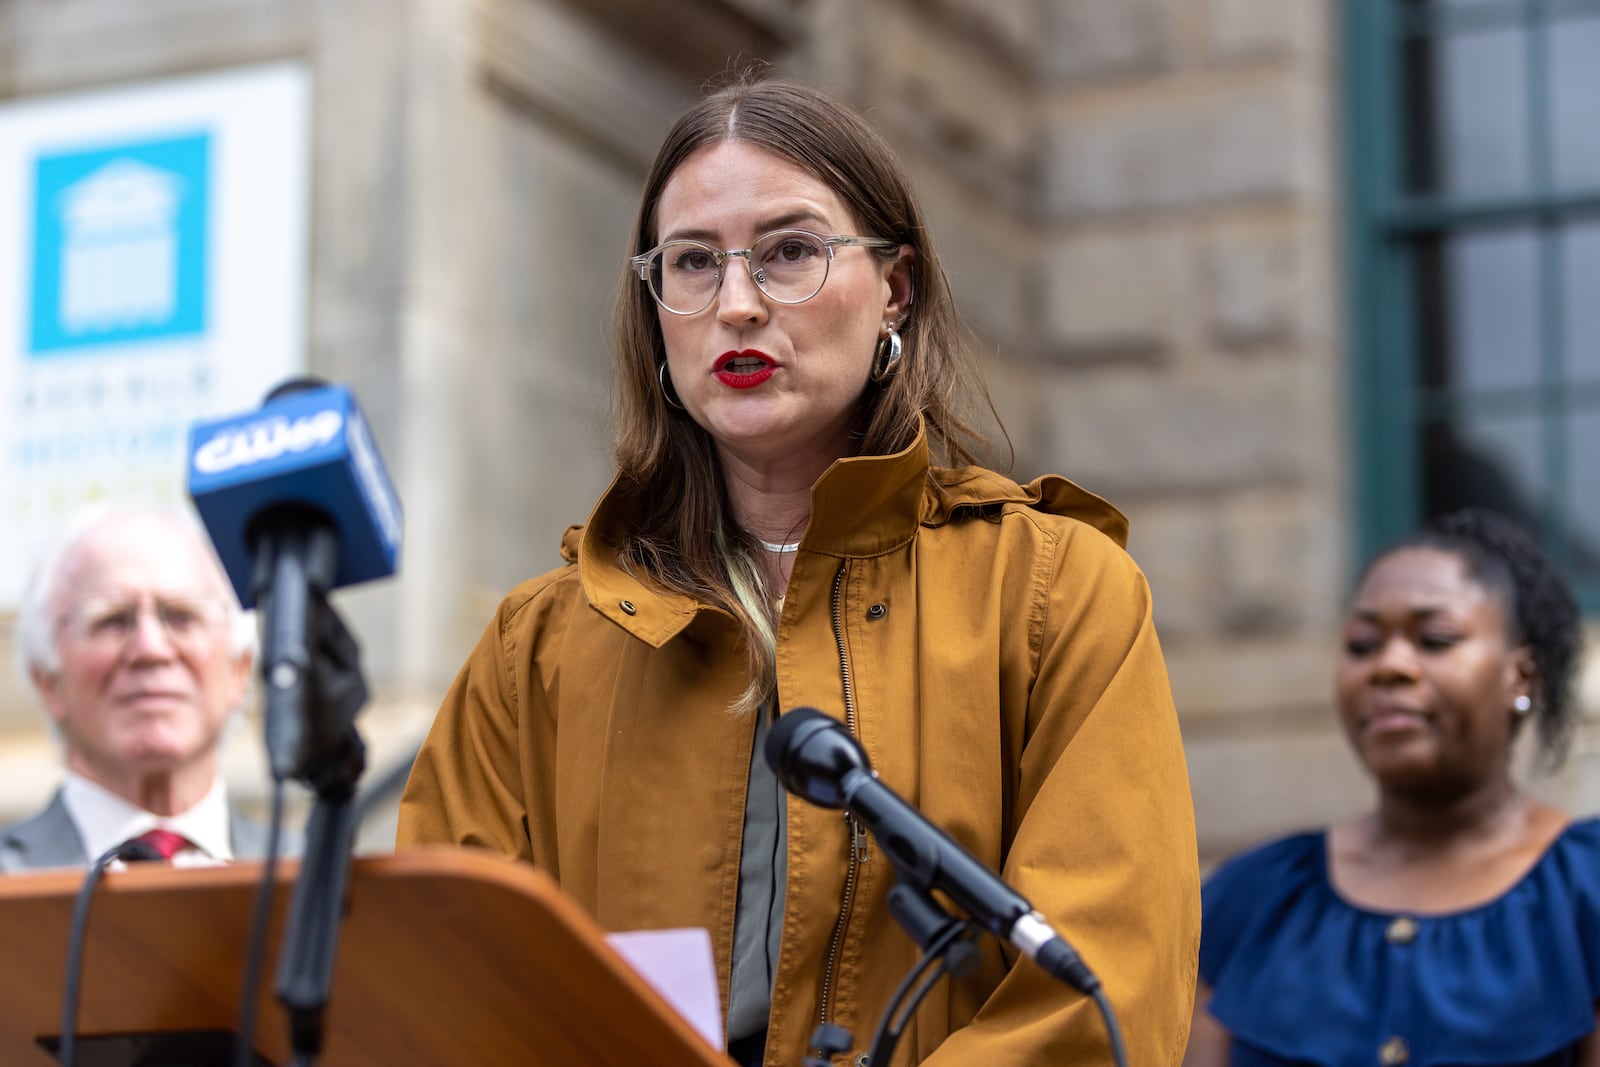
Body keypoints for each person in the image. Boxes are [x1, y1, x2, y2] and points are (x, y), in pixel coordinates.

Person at [397, 72, 1199, 1066]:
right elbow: (441, 995)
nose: (735, 304)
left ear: (894, 288)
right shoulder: (540, 646)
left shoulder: (1054, 590)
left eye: (789, 252)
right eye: (692, 262)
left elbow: (1102, 985)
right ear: (654, 309)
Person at [1185, 508, 1598, 1067]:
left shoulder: (1584, 891)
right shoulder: (1253, 899)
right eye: (1361, 644)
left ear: (1520, 677)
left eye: (1434, 639)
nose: (1389, 667)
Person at [1, 506, 272, 870]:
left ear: (240, 669)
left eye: (181, 615)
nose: (150, 648)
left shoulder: (327, 884)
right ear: (48, 681)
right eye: (111, 620)